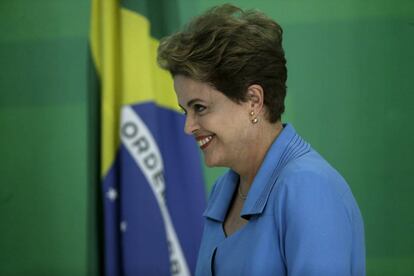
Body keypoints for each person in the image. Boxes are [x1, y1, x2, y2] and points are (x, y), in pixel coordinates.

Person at [157, 4, 365, 276]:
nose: (188, 127)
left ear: (253, 100)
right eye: (186, 110)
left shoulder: (309, 189)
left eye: (200, 107)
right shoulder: (223, 190)